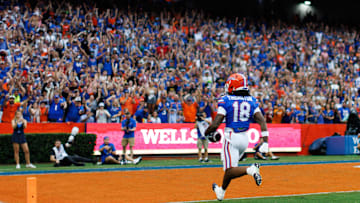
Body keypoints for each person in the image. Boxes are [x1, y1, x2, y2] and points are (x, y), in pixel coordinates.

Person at [205, 73, 265, 201]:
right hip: (244, 138)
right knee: (230, 170)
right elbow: (261, 120)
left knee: (230, 169)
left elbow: (216, 122)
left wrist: (207, 132)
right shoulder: (252, 100)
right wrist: (266, 140)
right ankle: (221, 191)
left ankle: (251, 169)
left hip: (231, 136)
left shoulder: (226, 100)